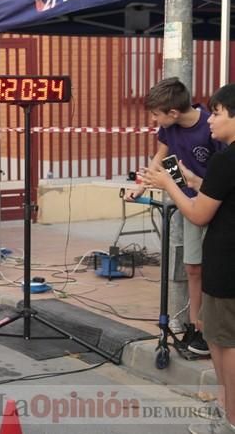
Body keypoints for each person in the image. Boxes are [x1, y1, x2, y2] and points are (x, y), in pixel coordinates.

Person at [141, 84, 235, 434]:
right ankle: (225, 409)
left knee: (225, 343)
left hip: (225, 260)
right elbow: (210, 190)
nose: (213, 120)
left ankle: (230, 419)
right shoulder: (224, 161)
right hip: (221, 258)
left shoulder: (226, 158)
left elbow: (199, 213)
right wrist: (188, 179)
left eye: (220, 113)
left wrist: (171, 185)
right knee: (217, 336)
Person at [124, 77, 223, 357]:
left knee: (215, 270)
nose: (154, 119)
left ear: (174, 112)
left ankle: (213, 328)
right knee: (193, 267)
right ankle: (196, 325)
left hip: (213, 203)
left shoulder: (211, 126)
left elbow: (220, 173)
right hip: (187, 203)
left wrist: (190, 182)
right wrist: (141, 185)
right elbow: (162, 156)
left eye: (156, 114)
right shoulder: (170, 130)